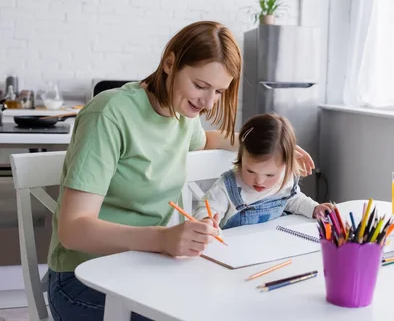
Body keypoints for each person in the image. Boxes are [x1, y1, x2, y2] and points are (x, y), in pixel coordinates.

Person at [46, 21, 315, 321]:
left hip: (145, 266)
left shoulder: (182, 115)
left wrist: (269, 147)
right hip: (83, 278)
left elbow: (207, 140)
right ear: (170, 63)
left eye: (219, 91)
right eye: (200, 86)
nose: (208, 101)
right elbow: (73, 229)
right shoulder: (109, 114)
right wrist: (162, 239)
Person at [194, 113, 332, 229]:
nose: (259, 181)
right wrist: (206, 220)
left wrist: (314, 208)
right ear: (241, 157)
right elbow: (208, 207)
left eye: (270, 175)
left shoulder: (285, 179)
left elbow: (293, 200)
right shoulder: (229, 185)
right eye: (250, 171)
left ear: (286, 166)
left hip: (272, 245)